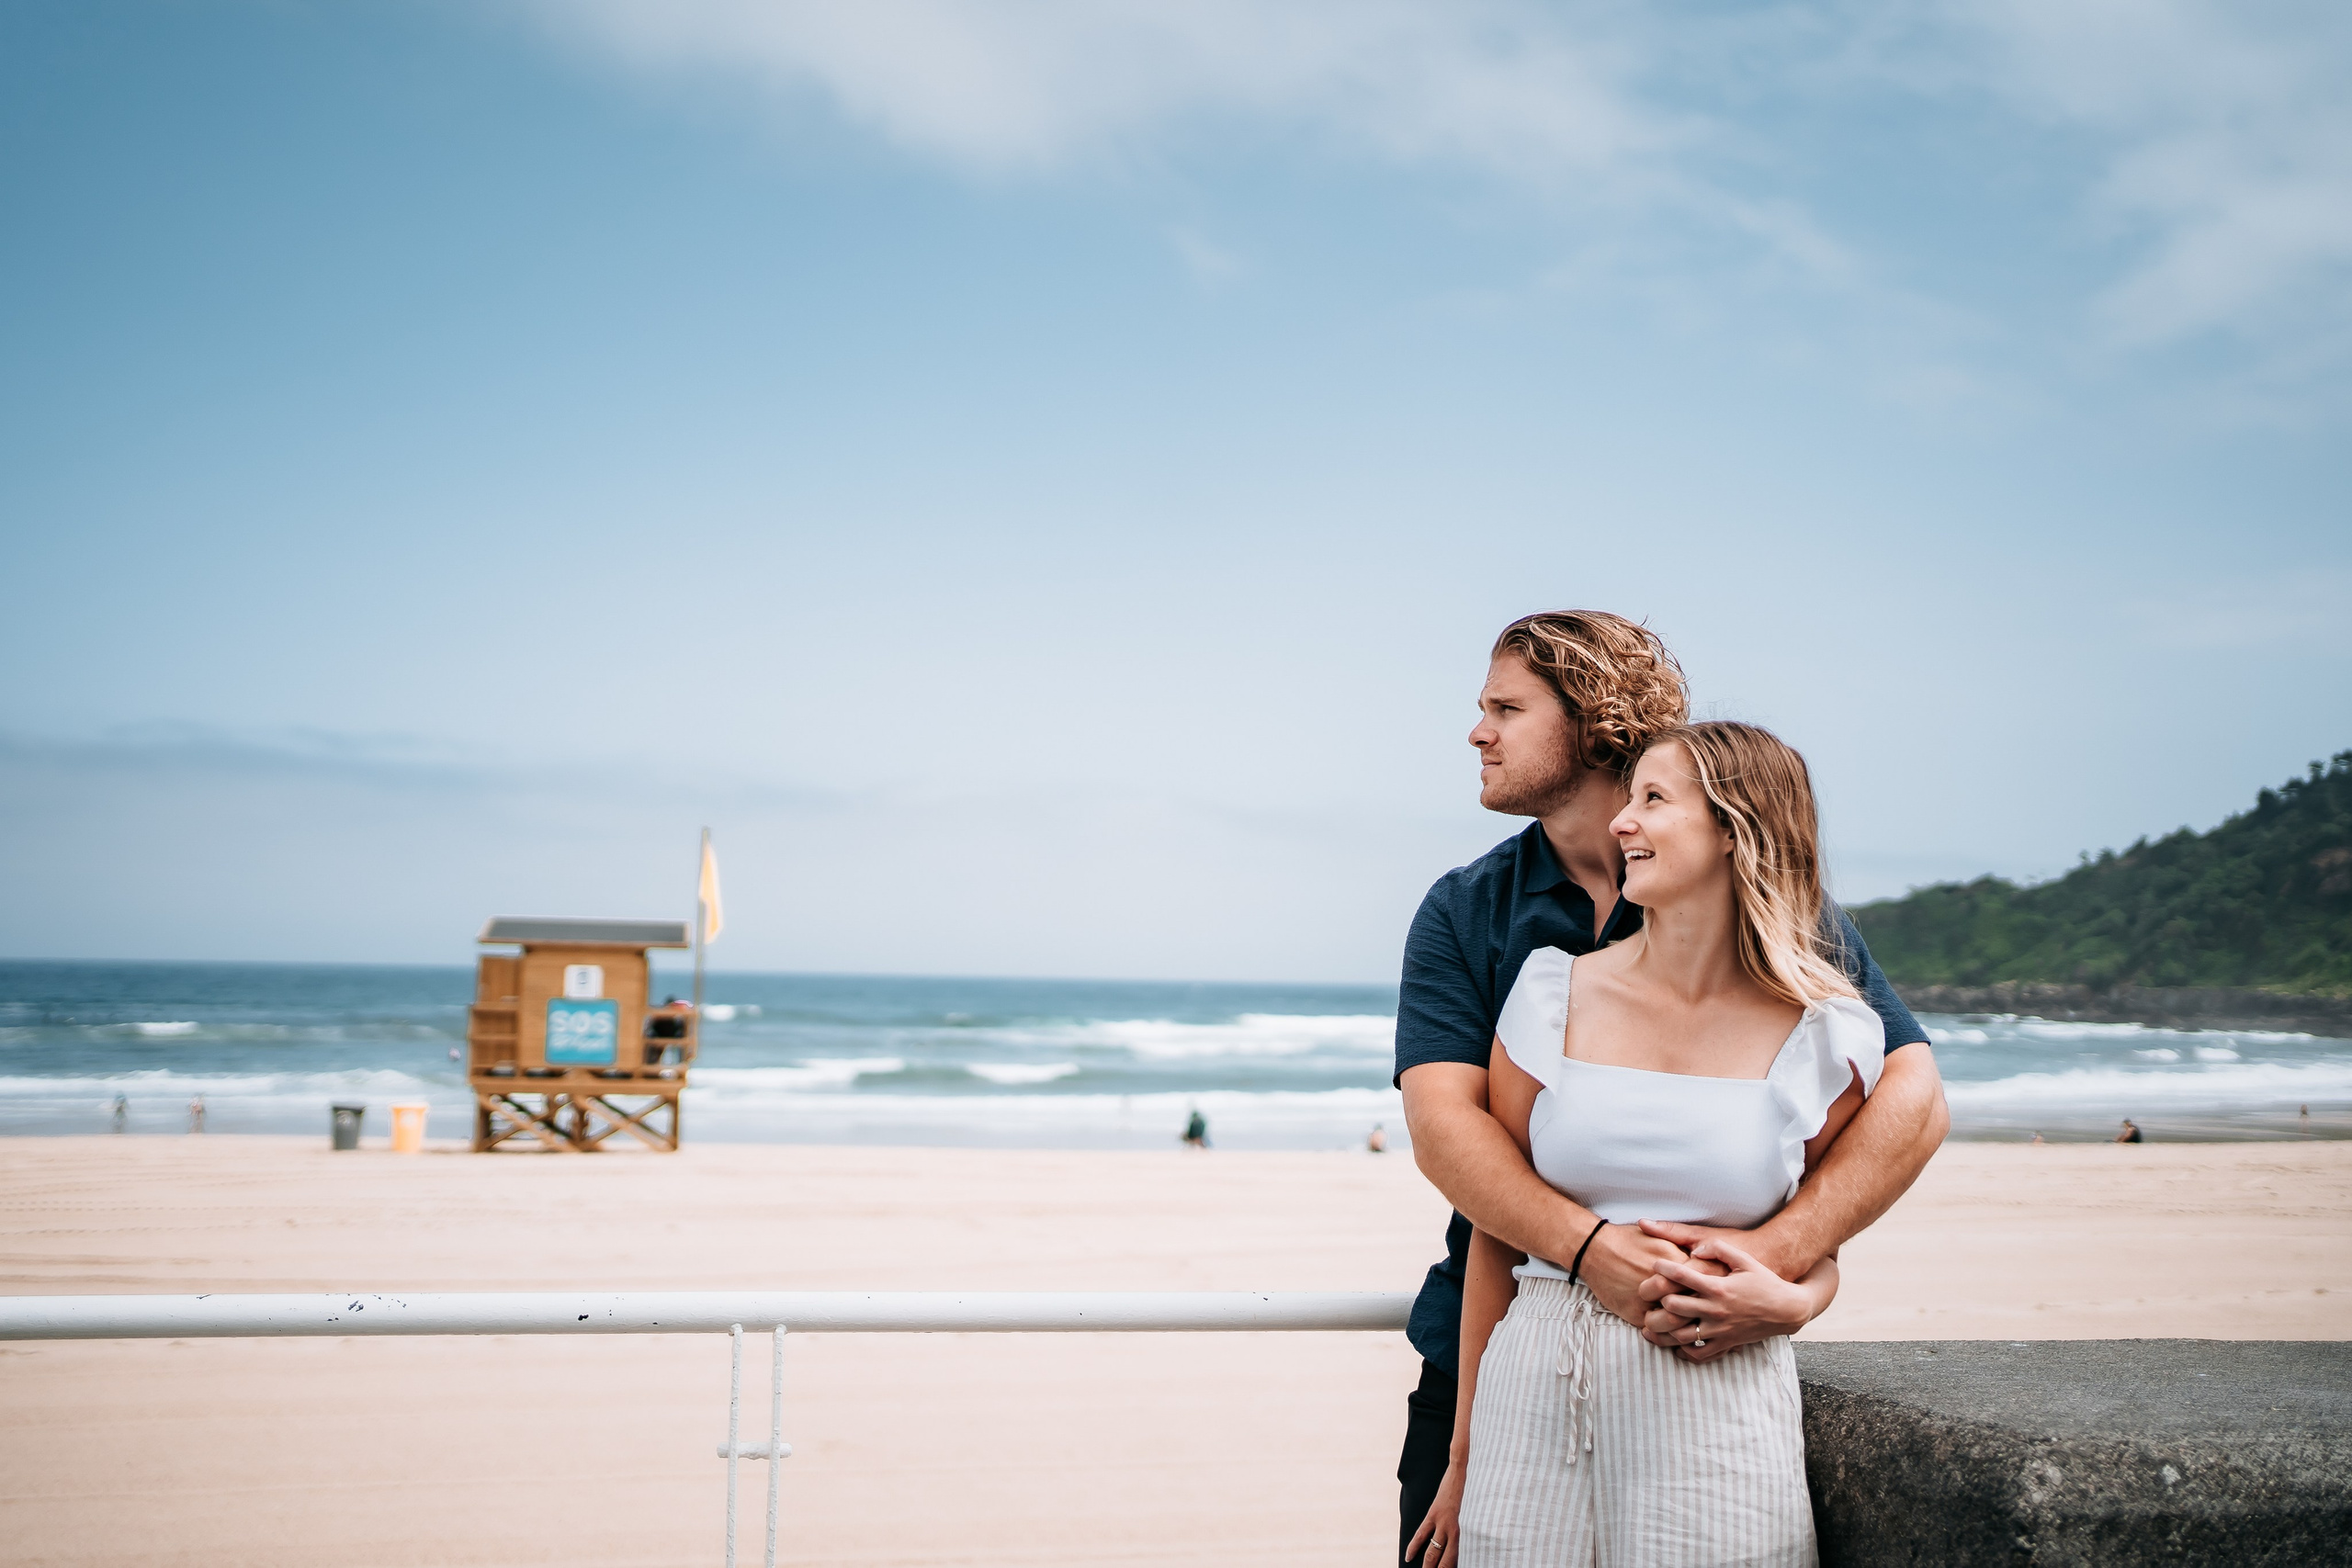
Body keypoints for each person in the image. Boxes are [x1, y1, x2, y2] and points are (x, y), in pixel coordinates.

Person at [1394, 612, 1949, 1567]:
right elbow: (1448, 1131)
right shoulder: (1468, 909)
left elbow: (1911, 1095)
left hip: (1705, 1357)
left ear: (1591, 720)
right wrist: (1589, 1252)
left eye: (1506, 709)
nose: (1478, 732)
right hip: (1492, 1351)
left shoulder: (1766, 908)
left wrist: (1773, 1267)